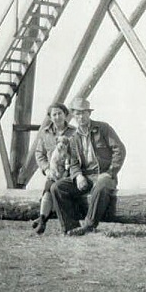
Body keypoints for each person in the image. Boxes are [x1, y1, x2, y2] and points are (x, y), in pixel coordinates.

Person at [51, 96, 126, 236]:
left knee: (102, 184)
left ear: (89, 113)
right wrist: (78, 176)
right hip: (86, 176)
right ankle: (70, 227)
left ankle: (89, 225)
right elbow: (73, 163)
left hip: (104, 175)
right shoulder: (73, 138)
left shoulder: (103, 128)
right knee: (57, 187)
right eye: (77, 113)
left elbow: (119, 150)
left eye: (83, 112)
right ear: (73, 115)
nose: (80, 116)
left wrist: (110, 172)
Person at [32, 103, 75, 235]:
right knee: (48, 191)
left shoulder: (74, 132)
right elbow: (39, 154)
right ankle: (42, 220)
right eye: (54, 114)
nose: (57, 117)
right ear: (50, 117)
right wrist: (46, 169)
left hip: (69, 171)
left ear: (65, 115)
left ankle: (48, 220)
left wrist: (71, 169)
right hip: (53, 171)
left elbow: (78, 153)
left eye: (60, 113)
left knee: (56, 190)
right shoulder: (45, 133)